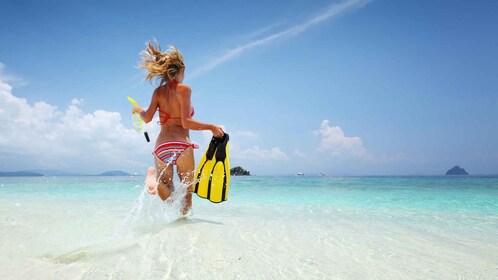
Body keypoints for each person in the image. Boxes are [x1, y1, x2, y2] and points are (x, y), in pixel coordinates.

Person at [133, 40, 224, 214]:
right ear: (181, 70)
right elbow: (185, 122)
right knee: (187, 192)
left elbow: (147, 118)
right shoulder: (184, 89)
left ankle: (154, 180)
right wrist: (211, 126)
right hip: (181, 146)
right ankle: (186, 223)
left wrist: (139, 111)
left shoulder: (158, 92)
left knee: (170, 193)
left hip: (161, 148)